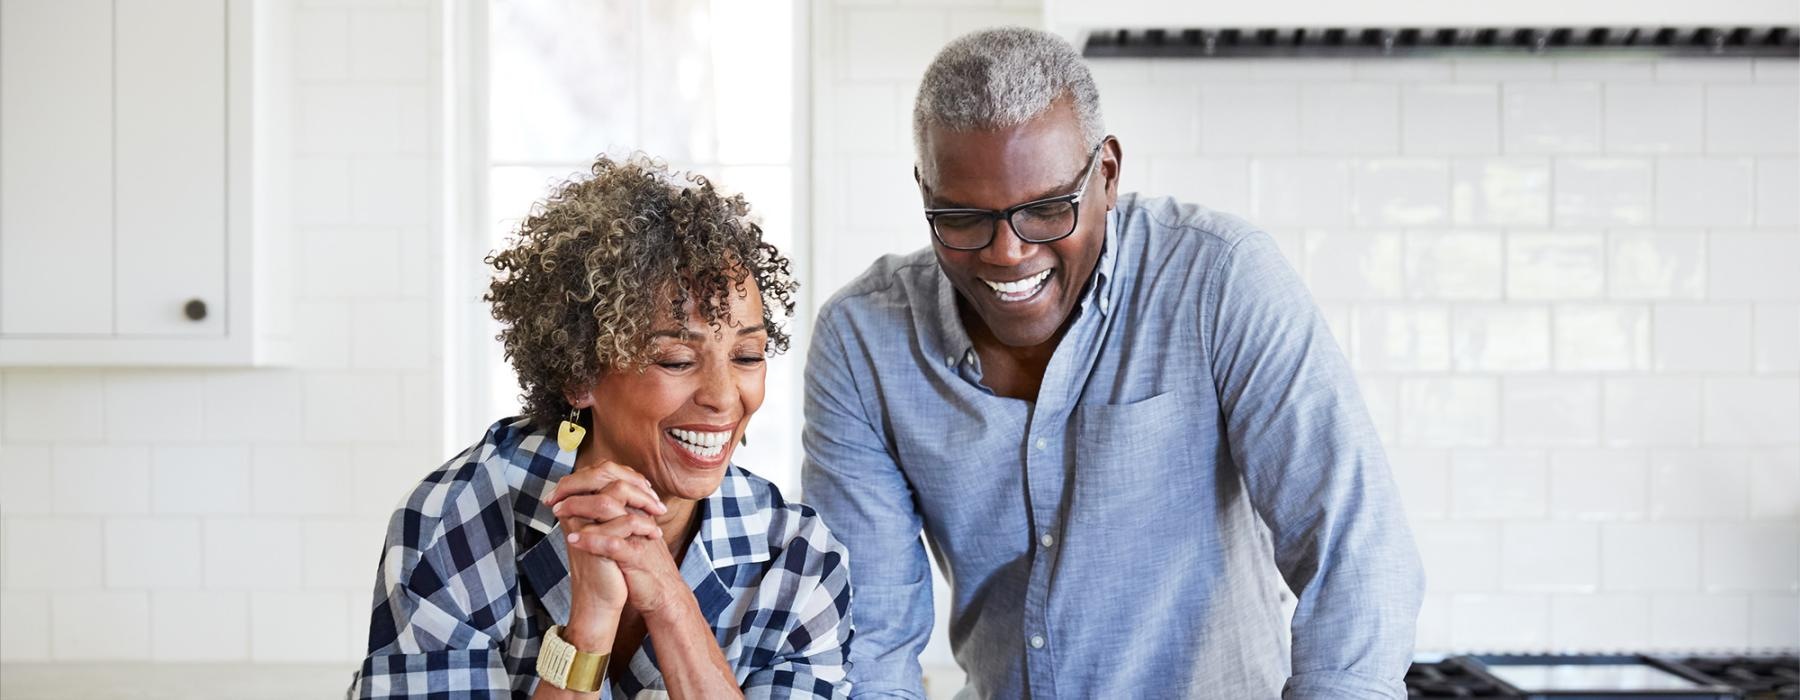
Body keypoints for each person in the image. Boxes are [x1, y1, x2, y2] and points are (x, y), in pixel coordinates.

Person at [801, 27, 1424, 698]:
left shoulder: (1220, 279)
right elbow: (867, 642)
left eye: (1046, 210)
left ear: (1107, 175)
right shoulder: (863, 340)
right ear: (924, 191)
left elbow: (1356, 556)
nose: (1007, 253)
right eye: (961, 218)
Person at [350, 155, 853, 699]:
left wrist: (668, 599)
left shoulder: (799, 561)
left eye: (748, 356)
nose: (724, 397)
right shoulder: (455, 523)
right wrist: (587, 627)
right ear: (579, 376)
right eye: (677, 361)